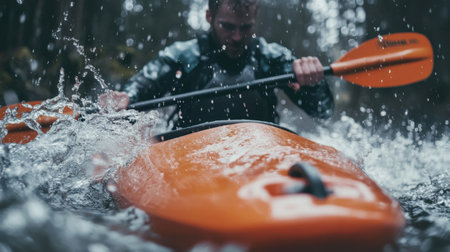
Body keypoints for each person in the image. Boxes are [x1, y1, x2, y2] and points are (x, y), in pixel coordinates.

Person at [100, 0, 334, 128]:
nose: (236, 37)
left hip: (260, 152)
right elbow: (142, 86)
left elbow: (323, 112)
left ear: (255, 20)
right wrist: (126, 97)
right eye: (228, 26)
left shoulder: (272, 57)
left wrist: (314, 84)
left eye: (246, 28)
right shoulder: (184, 55)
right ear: (209, 17)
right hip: (189, 152)